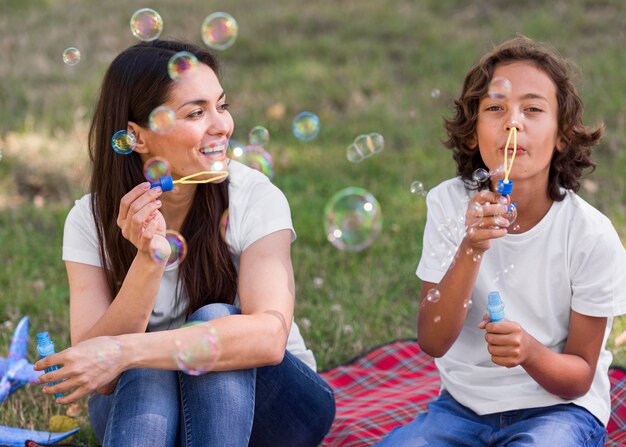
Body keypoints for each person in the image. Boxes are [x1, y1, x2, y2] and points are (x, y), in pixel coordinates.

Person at [34, 39, 335, 447]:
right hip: (146, 405)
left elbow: (268, 336)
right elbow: (97, 371)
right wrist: (148, 258)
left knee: (212, 322)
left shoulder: (253, 195)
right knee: (148, 367)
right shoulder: (88, 220)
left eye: (222, 106)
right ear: (138, 138)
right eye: (196, 112)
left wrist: (127, 350)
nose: (223, 126)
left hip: (278, 407)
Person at [377, 35, 626, 446]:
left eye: (532, 108)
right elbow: (433, 340)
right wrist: (471, 248)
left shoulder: (590, 236)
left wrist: (528, 351)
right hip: (462, 409)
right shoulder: (448, 205)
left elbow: (580, 376)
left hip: (558, 412)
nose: (513, 122)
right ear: (473, 133)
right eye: (495, 108)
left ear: (562, 134)